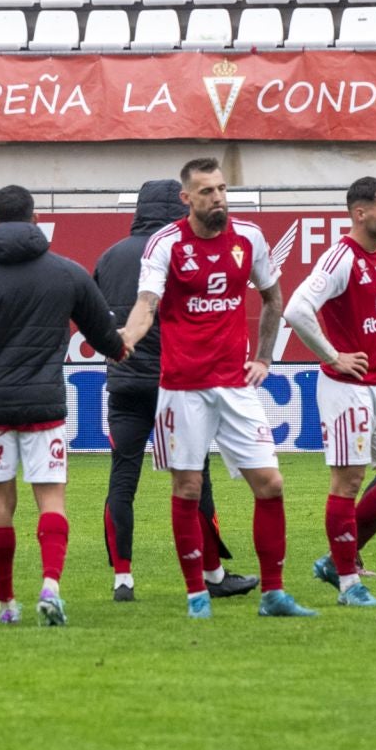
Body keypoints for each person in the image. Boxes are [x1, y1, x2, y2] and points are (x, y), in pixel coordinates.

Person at [118, 159, 315, 619]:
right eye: (207, 191)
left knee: (271, 485)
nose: (218, 198)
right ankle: (196, 596)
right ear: (187, 199)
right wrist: (128, 337)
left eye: (223, 189)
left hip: (235, 386)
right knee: (188, 488)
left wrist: (264, 357)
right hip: (183, 388)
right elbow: (147, 302)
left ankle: (274, 594)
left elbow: (272, 297)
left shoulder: (249, 238)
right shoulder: (164, 244)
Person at [0, 186, 129, 626]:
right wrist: (123, 347)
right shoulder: (66, 272)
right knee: (51, 500)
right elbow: (104, 336)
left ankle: (6, 605)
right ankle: (50, 586)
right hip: (44, 406)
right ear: (36, 218)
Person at [93, 180, 253, 603]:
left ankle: (122, 579)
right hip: (175, 382)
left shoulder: (110, 256)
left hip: (124, 382)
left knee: (123, 477)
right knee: (194, 478)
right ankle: (213, 575)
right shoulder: (180, 250)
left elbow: (98, 320)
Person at [285, 178, 376, 610]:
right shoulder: (340, 257)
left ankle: (334, 559)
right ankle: (347, 582)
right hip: (347, 390)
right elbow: (296, 309)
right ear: (360, 214)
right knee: (349, 481)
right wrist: (333, 355)